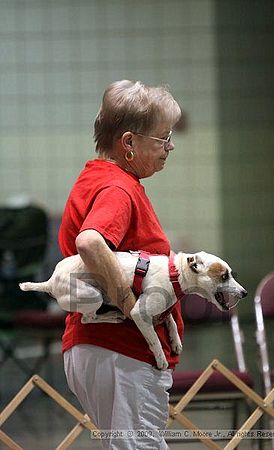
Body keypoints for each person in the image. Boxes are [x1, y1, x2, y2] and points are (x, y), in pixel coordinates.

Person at [58, 80, 183, 450]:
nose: (169, 146)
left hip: (95, 345)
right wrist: (134, 310)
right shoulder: (118, 188)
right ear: (129, 142)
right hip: (121, 349)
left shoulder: (97, 177)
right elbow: (91, 242)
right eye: (163, 138)